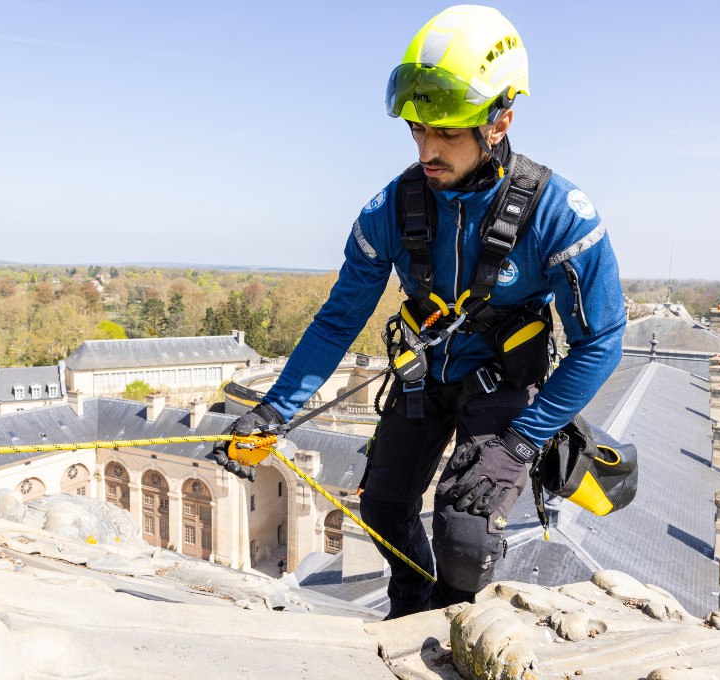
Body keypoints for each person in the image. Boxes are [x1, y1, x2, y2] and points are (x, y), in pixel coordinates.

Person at [212, 5, 625, 619]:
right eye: (416, 130)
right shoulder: (393, 207)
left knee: (464, 535)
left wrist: (523, 442)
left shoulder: (559, 213)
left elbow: (603, 340)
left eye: (448, 134)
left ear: (500, 120)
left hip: (502, 384)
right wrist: (274, 409)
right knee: (381, 508)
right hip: (424, 375)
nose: (428, 149)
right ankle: (410, 614)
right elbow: (337, 320)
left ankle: (458, 622)